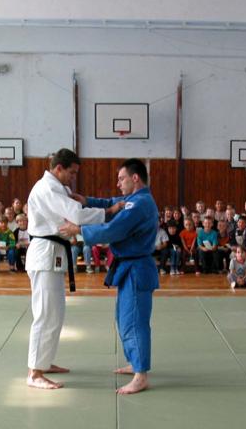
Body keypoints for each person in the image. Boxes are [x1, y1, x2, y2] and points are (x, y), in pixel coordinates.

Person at [60, 158, 159, 395]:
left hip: (136, 269)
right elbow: (111, 203)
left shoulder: (140, 204)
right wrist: (86, 201)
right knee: (124, 318)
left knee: (134, 321)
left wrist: (79, 230)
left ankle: (141, 375)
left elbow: (114, 230)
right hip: (129, 267)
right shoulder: (134, 200)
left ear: (135, 178)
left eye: (121, 178)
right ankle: (135, 362)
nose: (118, 183)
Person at [24, 149, 113, 390]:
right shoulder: (47, 188)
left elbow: (71, 217)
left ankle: (44, 362)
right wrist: (108, 212)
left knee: (56, 313)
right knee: (45, 313)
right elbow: (76, 215)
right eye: (71, 172)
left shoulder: (58, 189)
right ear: (59, 168)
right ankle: (34, 373)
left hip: (53, 254)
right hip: (44, 255)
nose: (73, 177)